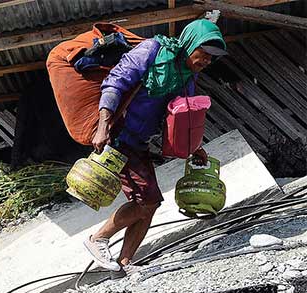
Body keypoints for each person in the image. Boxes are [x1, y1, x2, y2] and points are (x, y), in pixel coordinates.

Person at [83, 19, 227, 273]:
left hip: (139, 142)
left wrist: (194, 147)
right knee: (147, 201)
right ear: (190, 43)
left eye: (211, 57)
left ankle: (125, 264)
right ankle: (98, 239)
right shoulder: (153, 50)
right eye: (203, 52)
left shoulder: (187, 76)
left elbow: (182, 115)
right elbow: (115, 82)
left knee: (151, 203)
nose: (206, 60)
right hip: (118, 136)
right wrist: (103, 126)